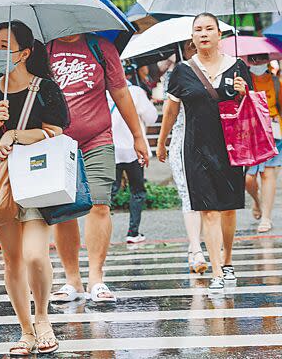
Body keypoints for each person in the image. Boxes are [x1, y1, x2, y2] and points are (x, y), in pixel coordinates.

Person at [0, 21, 70, 355]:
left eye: (4, 45)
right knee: (12, 260)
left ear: (25, 53)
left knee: (35, 254)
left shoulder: (47, 89)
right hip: (0, 184)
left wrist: (16, 134)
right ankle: (25, 331)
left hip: (37, 180)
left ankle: (43, 318)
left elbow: (56, 131)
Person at [47, 33, 149, 304]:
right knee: (64, 209)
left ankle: (96, 277)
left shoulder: (101, 48)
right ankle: (72, 280)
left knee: (100, 204)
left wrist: (138, 136)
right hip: (57, 141)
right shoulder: (45, 48)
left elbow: (120, 92)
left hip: (98, 138)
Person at [156, 13, 251, 294]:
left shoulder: (238, 67)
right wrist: (162, 143)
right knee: (208, 210)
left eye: (209, 29)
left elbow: (251, 107)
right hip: (195, 148)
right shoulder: (183, 71)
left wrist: (244, 92)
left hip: (231, 146)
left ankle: (228, 259)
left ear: (219, 35)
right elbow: (171, 110)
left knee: (228, 208)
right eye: (198, 30)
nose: (204, 34)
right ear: (193, 37)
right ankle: (217, 271)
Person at [160, 41, 208, 274]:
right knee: (189, 195)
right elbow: (170, 112)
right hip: (183, 141)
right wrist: (161, 143)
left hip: (211, 143)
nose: (195, 47)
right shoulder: (176, 74)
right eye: (189, 46)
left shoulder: (219, 69)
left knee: (209, 198)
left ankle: (197, 248)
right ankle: (196, 249)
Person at [108, 81, 158, 243]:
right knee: (137, 191)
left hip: (110, 149)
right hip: (134, 149)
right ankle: (133, 232)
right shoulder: (135, 91)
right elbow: (151, 117)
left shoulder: (103, 91)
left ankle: (100, 230)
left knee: (110, 192)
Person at [244, 53, 282, 233]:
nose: (257, 63)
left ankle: (266, 218)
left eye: (261, 59)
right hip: (250, 134)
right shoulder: (243, 81)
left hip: (273, 134)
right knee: (248, 178)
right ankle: (257, 202)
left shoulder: (276, 82)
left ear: (268, 60)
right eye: (253, 59)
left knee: (268, 175)